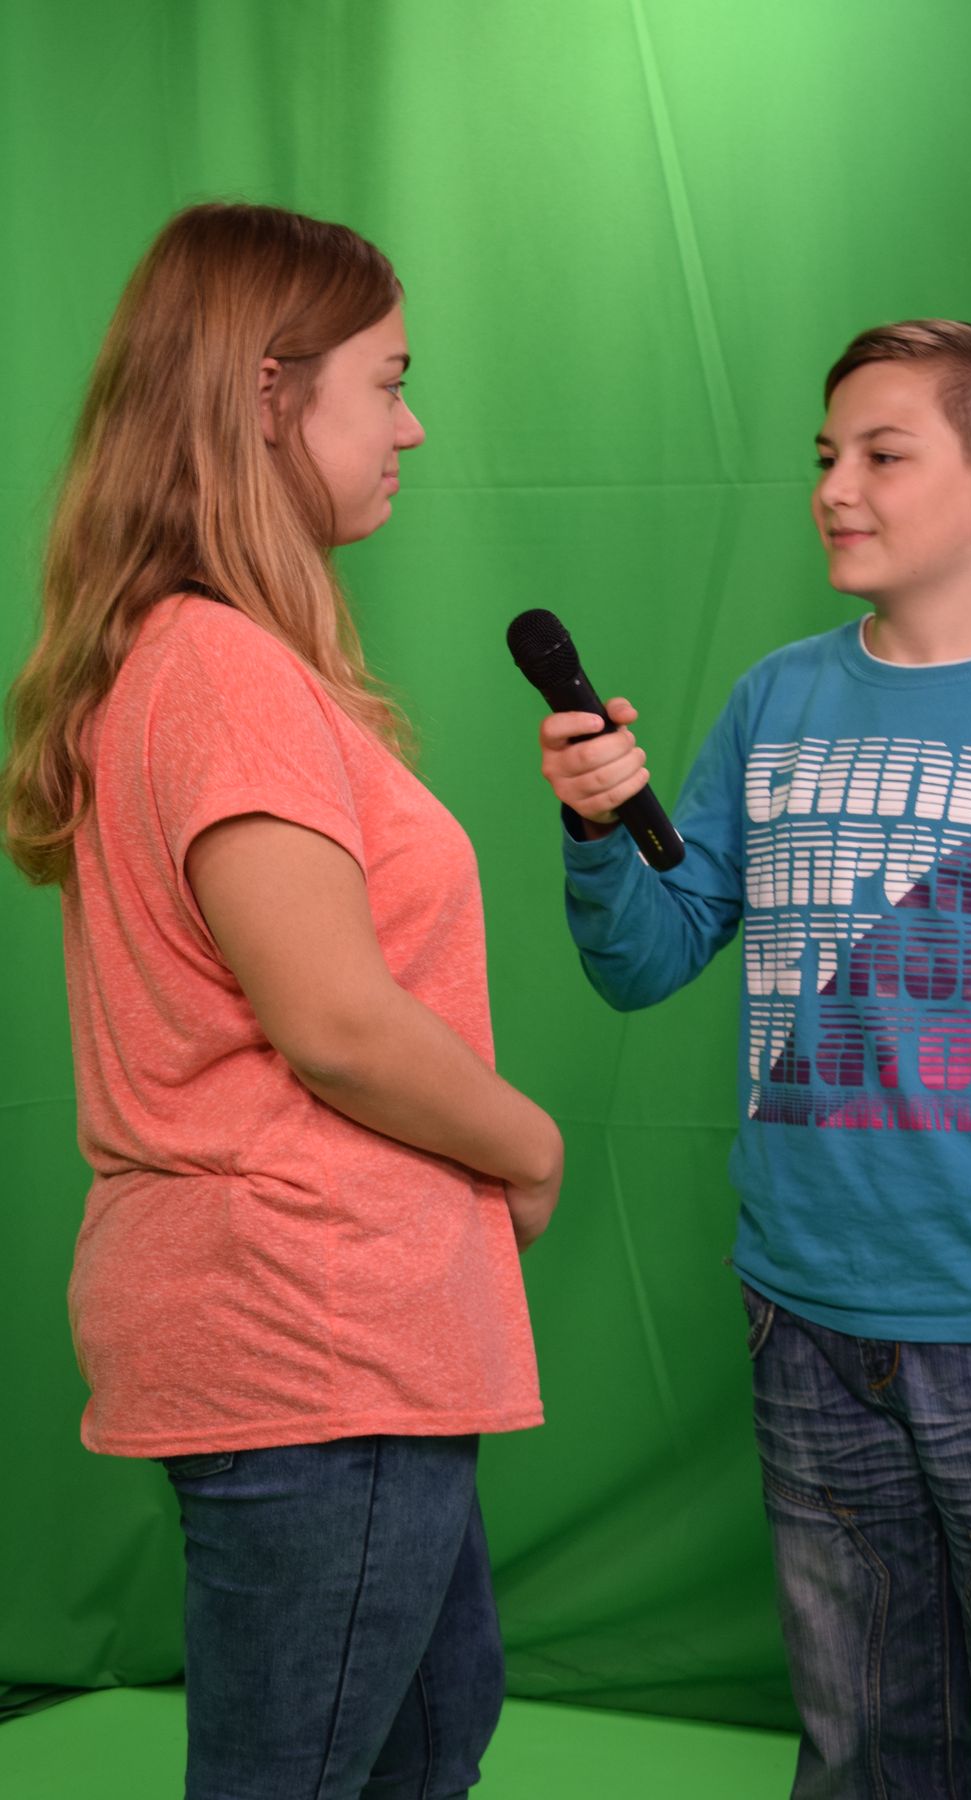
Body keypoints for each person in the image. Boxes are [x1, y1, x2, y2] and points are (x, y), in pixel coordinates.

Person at [531, 320, 971, 1798]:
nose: (835, 487)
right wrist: (595, 829)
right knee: (861, 1755)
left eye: (883, 455)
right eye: (827, 455)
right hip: (801, 1320)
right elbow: (649, 955)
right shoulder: (775, 699)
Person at [1, 201, 563, 1800]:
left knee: (428, 1736)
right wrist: (527, 1147)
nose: (411, 426)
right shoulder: (221, 669)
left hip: (327, 1337)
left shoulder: (187, 657)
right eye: (387, 383)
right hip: (313, 1330)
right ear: (266, 395)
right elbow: (335, 1022)